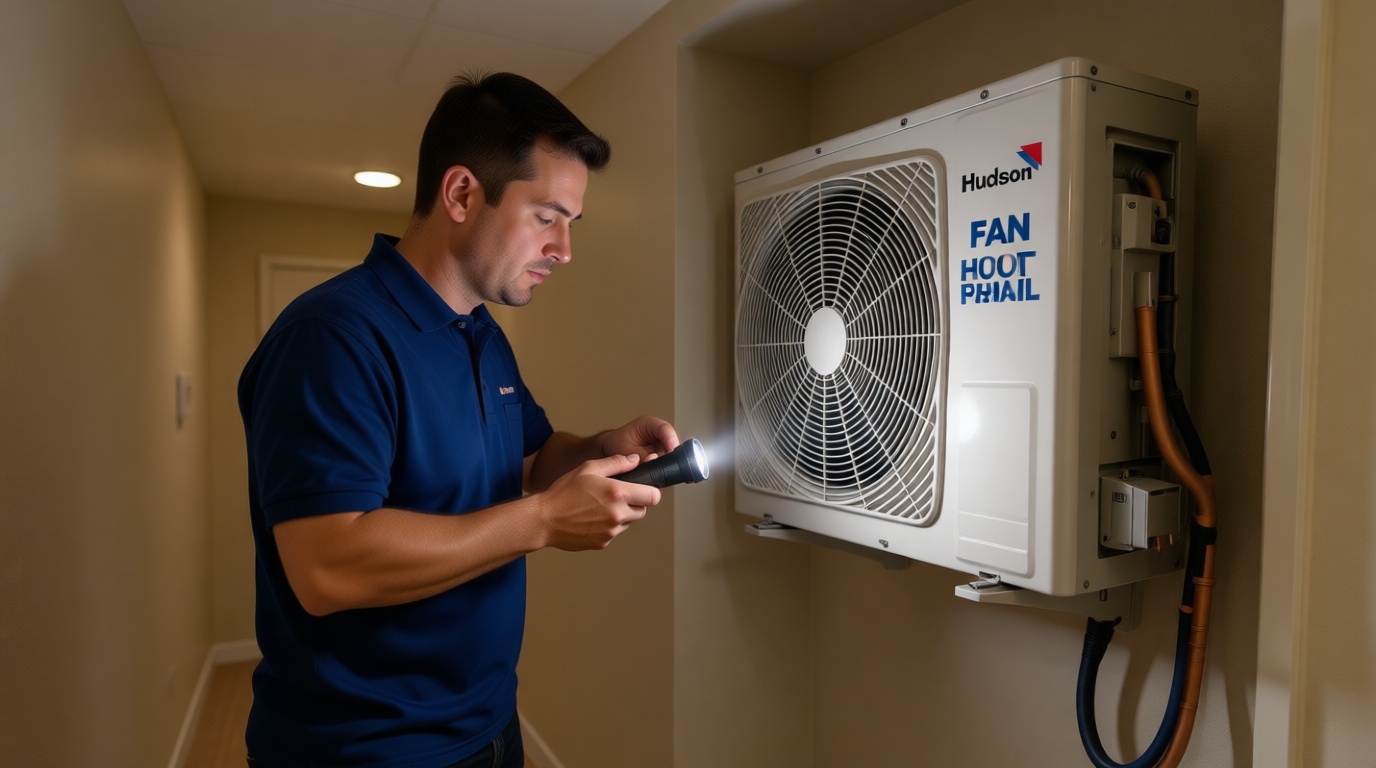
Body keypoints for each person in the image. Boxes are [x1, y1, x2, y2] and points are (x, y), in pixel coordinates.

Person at [237, 71, 678, 768]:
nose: (565, 249)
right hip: (365, 750)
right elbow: (326, 569)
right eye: (546, 217)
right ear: (463, 194)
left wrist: (602, 448)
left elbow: (529, 461)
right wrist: (543, 523)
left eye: (572, 223)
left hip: (488, 727)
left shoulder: (480, 333)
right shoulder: (333, 338)